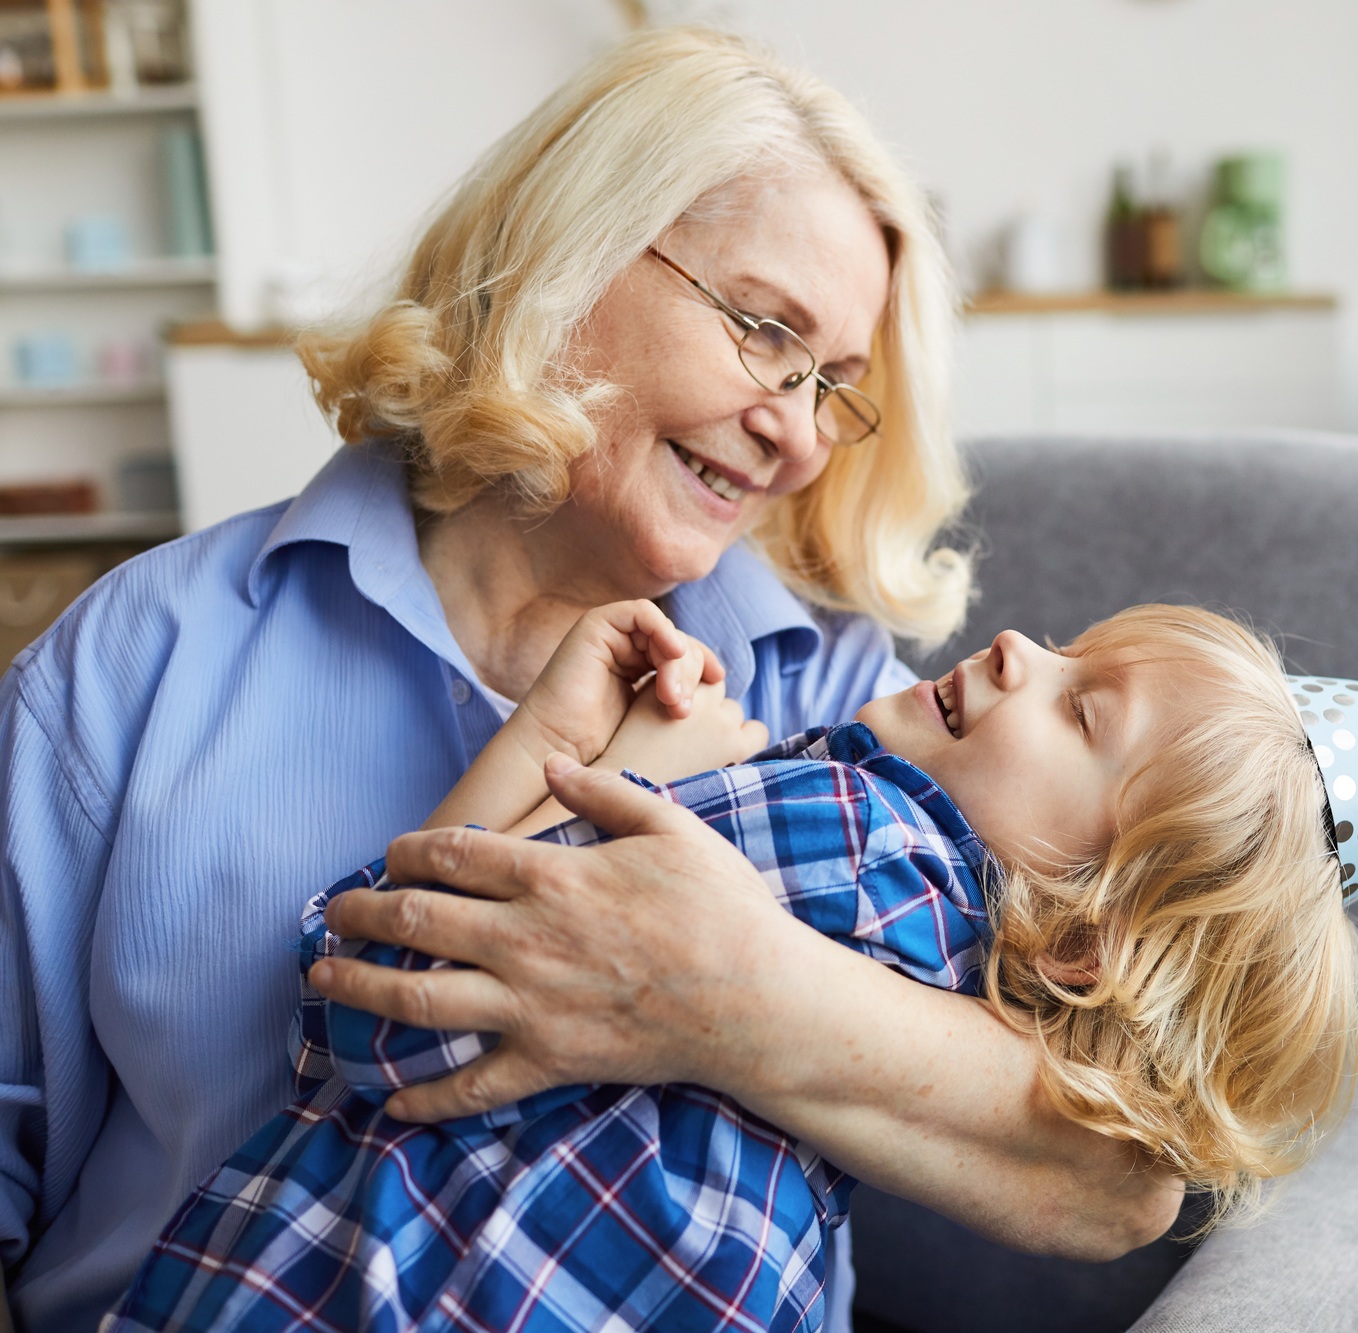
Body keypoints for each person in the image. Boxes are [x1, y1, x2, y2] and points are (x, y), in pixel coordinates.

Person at [0, 29, 1182, 1333]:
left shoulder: (848, 712)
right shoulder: (138, 662)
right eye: (764, 331)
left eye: (832, 386)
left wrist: (730, 996)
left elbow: (1124, 1184)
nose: (798, 436)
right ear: (569, 257)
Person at [109, 602, 1358, 1332]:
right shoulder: (941, 957)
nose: (1013, 645)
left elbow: (367, 998)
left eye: (1081, 710)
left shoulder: (847, 824)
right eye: (1067, 648)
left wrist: (613, 767)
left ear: (1091, 939)